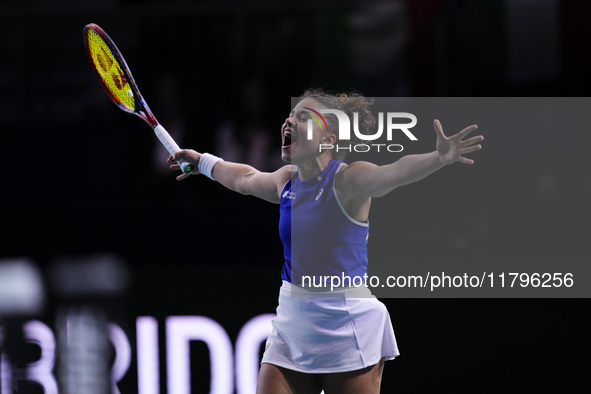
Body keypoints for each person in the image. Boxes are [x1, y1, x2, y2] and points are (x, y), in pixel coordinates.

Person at [168, 89, 483, 394]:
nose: (289, 122)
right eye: (290, 115)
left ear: (329, 139)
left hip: (346, 323)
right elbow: (245, 178)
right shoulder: (286, 181)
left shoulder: (348, 180)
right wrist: (203, 163)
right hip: (293, 322)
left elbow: (392, 173)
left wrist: (438, 158)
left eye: (303, 117)